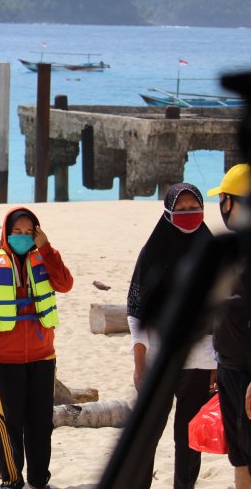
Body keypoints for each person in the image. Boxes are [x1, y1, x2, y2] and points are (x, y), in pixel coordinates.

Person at [0, 207, 73, 489]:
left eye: (29, 232)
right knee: (8, 424)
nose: (23, 237)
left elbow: (65, 283)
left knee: (40, 424)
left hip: (43, 356)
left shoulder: (44, 259)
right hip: (2, 360)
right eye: (17, 232)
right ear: (6, 234)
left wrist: (46, 247)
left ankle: (39, 479)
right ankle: (12, 479)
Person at [126, 183, 217, 489]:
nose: (189, 214)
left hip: (201, 361)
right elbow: (136, 312)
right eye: (182, 209)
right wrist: (140, 365)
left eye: (194, 208)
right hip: (158, 361)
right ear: (168, 212)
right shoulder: (152, 253)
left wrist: (218, 362)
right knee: (147, 434)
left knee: (189, 438)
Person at [207, 164, 251, 489]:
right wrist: (214, 362)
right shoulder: (230, 251)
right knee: (239, 457)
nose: (221, 206)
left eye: (224, 199)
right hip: (229, 369)